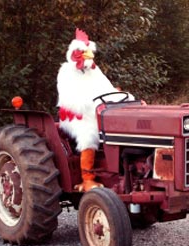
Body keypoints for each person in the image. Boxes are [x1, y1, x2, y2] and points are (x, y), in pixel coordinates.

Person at [57, 28, 134, 192]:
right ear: (73, 54)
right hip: (77, 116)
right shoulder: (65, 73)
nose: (87, 55)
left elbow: (106, 88)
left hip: (98, 111)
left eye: (88, 52)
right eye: (82, 52)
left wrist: (117, 97)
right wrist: (94, 106)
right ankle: (87, 179)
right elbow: (70, 101)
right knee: (89, 134)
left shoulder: (93, 69)